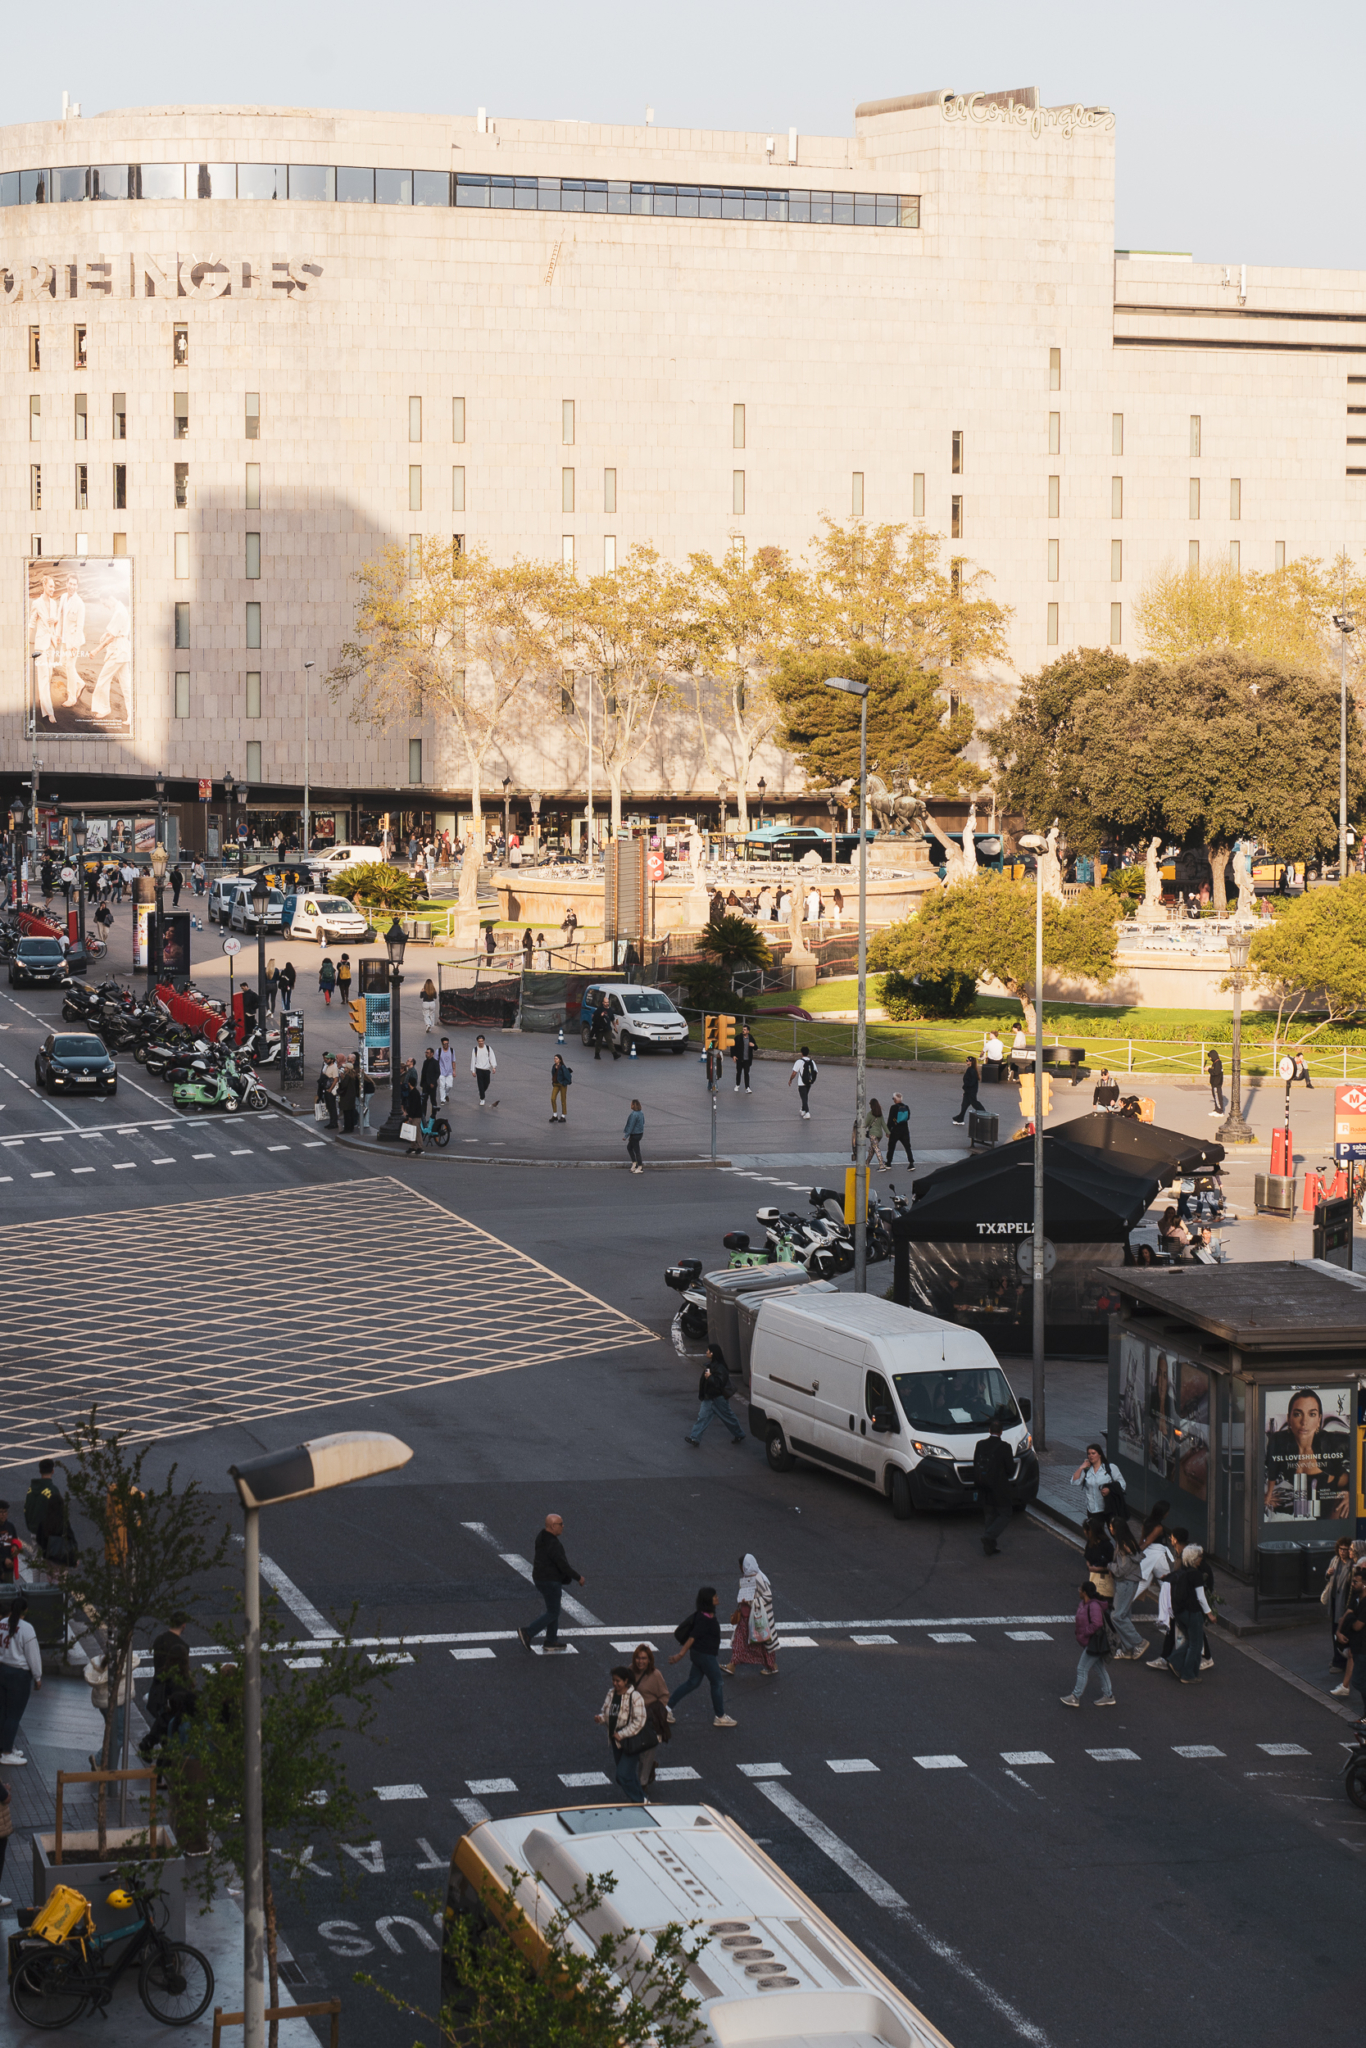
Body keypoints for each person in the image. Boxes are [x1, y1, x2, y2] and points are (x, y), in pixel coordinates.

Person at [1263, 1388, 1351, 1519]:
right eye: (1298, 1414)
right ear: (1289, 1418)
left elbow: (1357, 1472)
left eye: (1312, 1414)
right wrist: (1268, 1495)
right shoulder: (1278, 1441)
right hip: (1297, 1510)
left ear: (1319, 1420)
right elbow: (1271, 1469)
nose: (1304, 1422)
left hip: (1329, 1502)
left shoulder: (1332, 1443)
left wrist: (1351, 1494)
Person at [517, 1513, 585, 1655]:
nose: (563, 1526)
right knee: (554, 1612)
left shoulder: (541, 1537)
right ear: (553, 1526)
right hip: (550, 1581)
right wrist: (578, 1577)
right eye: (561, 1524)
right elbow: (563, 1566)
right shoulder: (554, 1544)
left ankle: (551, 1640)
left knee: (552, 1609)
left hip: (540, 1578)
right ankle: (528, 1632)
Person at [668, 1587, 736, 1727]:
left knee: (693, 1682)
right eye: (714, 1596)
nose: (717, 1597)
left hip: (700, 1654)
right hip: (705, 1656)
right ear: (708, 1600)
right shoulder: (704, 1619)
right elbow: (692, 1638)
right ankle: (720, 1716)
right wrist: (680, 1655)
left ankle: (666, 1709)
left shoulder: (705, 1615)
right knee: (717, 1683)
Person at [594, 1666, 651, 1804]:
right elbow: (607, 1713)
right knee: (627, 1775)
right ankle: (643, 1799)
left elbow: (640, 1721)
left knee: (622, 1775)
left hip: (631, 1741)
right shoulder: (611, 1694)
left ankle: (639, 1800)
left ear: (626, 1681)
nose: (615, 1683)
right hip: (615, 1741)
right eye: (613, 1680)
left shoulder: (635, 1697)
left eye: (618, 1681)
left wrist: (622, 1734)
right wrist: (601, 1718)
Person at [0, 1595, 43, 1764]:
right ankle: (7, 1752)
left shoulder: (1, 1623)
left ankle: (4, 1746)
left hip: (2, 1670)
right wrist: (38, 1677)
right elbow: (33, 1655)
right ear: (25, 1610)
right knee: (14, 1715)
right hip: (19, 1676)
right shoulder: (26, 1628)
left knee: (3, 1712)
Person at [1061, 1580, 1115, 1708]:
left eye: (1080, 1589)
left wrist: (1085, 1632)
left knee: (1082, 1668)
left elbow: (1097, 1623)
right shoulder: (1084, 1603)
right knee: (1100, 1669)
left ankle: (1075, 1696)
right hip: (1089, 1641)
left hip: (1094, 1643)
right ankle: (1109, 1696)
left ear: (1085, 1592)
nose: (1078, 1591)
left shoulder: (1093, 1606)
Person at [724, 1554, 779, 1676]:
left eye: (741, 1566)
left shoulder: (758, 1579)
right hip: (745, 1618)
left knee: (763, 1643)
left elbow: (768, 1597)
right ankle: (732, 1665)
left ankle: (772, 1666)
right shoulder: (746, 1578)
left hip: (756, 1619)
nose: (740, 1568)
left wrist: (751, 1602)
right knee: (739, 1640)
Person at [1167, 1544, 1213, 1683]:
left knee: (1190, 1640)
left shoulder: (1181, 1573)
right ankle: (1188, 1674)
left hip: (1180, 1612)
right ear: (1194, 1558)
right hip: (1193, 1613)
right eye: (1199, 1556)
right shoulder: (1196, 1575)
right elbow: (1200, 1597)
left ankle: (1174, 1660)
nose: (1201, 1559)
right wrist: (1209, 1613)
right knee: (1196, 1644)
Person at [628, 1645, 672, 1789]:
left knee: (647, 1751)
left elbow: (664, 1695)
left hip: (650, 1719)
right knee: (636, 1750)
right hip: (633, 1717)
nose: (640, 1661)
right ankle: (649, 1768)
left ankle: (642, 1783)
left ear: (649, 1660)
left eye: (644, 1658)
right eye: (638, 1658)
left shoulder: (655, 1675)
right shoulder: (630, 1671)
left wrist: (657, 1713)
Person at [686, 1345, 745, 1448]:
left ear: (712, 1353)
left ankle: (739, 1434)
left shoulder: (721, 1368)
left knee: (728, 1417)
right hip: (709, 1398)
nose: (706, 1352)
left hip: (718, 1398)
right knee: (702, 1417)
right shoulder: (711, 1365)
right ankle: (694, 1438)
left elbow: (719, 1383)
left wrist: (709, 1377)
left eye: (708, 1350)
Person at [1107, 1518, 1149, 1659]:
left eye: (1112, 1527)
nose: (1110, 1529)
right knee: (1124, 1615)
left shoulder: (1123, 1545)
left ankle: (1138, 1642)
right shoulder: (1128, 1542)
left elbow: (1122, 1569)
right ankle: (1127, 1649)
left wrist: (1110, 1566)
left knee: (1117, 1615)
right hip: (1129, 1582)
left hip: (1126, 1582)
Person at [973, 1418, 1013, 1555]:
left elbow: (975, 1463)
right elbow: (1010, 1470)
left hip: (984, 1486)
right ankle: (989, 1536)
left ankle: (990, 1547)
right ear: (1001, 1432)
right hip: (1000, 1488)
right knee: (1005, 1514)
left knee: (989, 1515)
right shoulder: (1005, 1447)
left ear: (989, 1430)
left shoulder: (980, 1445)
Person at [1324, 1537, 1357, 1692]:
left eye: (1346, 1549)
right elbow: (1328, 1578)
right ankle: (1337, 1658)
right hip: (1334, 1601)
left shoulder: (1351, 1565)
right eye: (1341, 1549)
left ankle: (1340, 1662)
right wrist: (1328, 1573)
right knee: (1334, 1631)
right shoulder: (1335, 1561)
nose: (1343, 1552)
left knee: (1340, 1632)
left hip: (1343, 1604)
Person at [1070, 1442, 1126, 1519]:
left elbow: (1122, 1484)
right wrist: (1081, 1467)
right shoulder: (1087, 1470)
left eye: (1093, 1453)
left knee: (1112, 1530)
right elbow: (1074, 1482)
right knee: (1095, 1531)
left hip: (1109, 1507)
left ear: (1100, 1455)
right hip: (1093, 1510)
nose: (1091, 1456)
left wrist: (1109, 1489)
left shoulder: (1110, 1468)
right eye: (1089, 1454)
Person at [951, 1056, 986, 1126]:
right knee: (964, 1105)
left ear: (971, 1062)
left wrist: (965, 1087)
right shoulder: (971, 1069)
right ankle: (960, 1119)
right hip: (969, 1091)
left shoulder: (971, 1070)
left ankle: (984, 1114)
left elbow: (971, 1082)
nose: (966, 1062)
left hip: (970, 1091)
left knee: (975, 1103)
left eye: (967, 1060)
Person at [401, 1064, 425, 1155]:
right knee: (413, 1131)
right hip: (415, 1114)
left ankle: (419, 1146)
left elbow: (414, 1105)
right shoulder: (414, 1092)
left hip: (415, 1115)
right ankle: (413, 1146)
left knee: (416, 1131)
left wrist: (410, 1115)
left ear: (409, 1083)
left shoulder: (414, 1093)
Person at [789, 1045, 818, 1119]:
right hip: (809, 1082)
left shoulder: (799, 1062)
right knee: (805, 1096)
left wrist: (790, 1080)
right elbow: (815, 1072)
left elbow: (794, 1073)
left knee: (804, 1097)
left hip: (802, 1083)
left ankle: (807, 1112)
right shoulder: (812, 1061)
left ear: (801, 1053)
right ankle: (803, 1110)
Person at [886, 1093, 914, 1168]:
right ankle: (911, 1163)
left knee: (891, 1146)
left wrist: (888, 1130)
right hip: (904, 1130)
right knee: (907, 1147)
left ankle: (888, 1163)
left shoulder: (893, 1107)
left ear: (895, 1100)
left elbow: (890, 1119)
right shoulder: (906, 1107)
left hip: (895, 1130)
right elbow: (908, 1118)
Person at [471, 1035, 498, 1107]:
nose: (481, 1042)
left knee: (487, 1083)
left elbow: (492, 1057)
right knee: (480, 1084)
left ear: (484, 1041)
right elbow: (473, 1060)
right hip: (479, 1069)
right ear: (477, 1041)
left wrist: (494, 1067)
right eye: (479, 1041)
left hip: (486, 1069)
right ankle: (482, 1098)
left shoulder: (488, 1048)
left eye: (482, 1041)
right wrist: (473, 1070)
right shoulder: (475, 1050)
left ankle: (481, 1092)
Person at [862, 1098, 888, 1169]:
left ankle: (881, 1164)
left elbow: (866, 1124)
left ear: (871, 1105)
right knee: (872, 1149)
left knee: (876, 1149)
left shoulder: (870, 1114)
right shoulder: (880, 1114)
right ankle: (867, 1162)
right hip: (879, 1134)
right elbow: (883, 1124)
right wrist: (888, 1132)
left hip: (873, 1134)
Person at [318, 1052, 340, 1129]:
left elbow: (336, 1079)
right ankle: (331, 1122)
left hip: (331, 1090)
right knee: (329, 1106)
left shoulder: (334, 1067)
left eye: (328, 1059)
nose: (326, 1060)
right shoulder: (327, 1066)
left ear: (332, 1059)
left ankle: (334, 1122)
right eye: (326, 1059)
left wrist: (330, 1089)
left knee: (332, 1106)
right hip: (326, 1088)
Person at [732, 1023, 756, 1094]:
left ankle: (747, 1087)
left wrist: (753, 1045)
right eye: (743, 1029)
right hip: (739, 1058)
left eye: (745, 1030)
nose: (743, 1031)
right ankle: (737, 1085)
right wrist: (733, 1055)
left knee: (746, 1073)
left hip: (747, 1059)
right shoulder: (738, 1038)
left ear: (748, 1031)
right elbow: (733, 1047)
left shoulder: (750, 1038)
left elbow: (756, 1047)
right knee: (738, 1072)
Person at [337, 1058, 359, 1132]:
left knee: (347, 1114)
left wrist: (341, 1079)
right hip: (351, 1096)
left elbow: (344, 1085)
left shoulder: (347, 1076)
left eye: (345, 1067)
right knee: (350, 1113)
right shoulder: (353, 1076)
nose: (344, 1068)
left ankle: (347, 1128)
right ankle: (350, 1127)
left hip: (346, 1097)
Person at [419, 1046, 440, 1123]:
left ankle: (433, 1115)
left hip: (432, 1085)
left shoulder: (435, 1062)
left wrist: (433, 1082)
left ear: (432, 1054)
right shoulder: (425, 1062)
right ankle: (423, 1115)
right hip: (425, 1084)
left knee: (433, 1100)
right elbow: (423, 1072)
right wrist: (422, 1083)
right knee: (424, 1100)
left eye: (427, 1053)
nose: (426, 1054)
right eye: (426, 1052)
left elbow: (437, 1073)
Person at [624, 1099, 645, 1174]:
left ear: (634, 1105)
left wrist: (626, 1136)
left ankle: (639, 1166)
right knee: (629, 1147)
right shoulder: (641, 1113)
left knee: (636, 1151)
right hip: (640, 1134)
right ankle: (634, 1164)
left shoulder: (634, 1114)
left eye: (631, 1104)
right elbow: (643, 1122)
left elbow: (631, 1126)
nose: (630, 1105)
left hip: (635, 1134)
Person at [550, 1051, 572, 1123]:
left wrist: (564, 1083)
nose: (555, 1060)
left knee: (563, 1100)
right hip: (556, 1084)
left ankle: (563, 1116)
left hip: (562, 1085)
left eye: (556, 1058)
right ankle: (555, 1115)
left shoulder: (562, 1067)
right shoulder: (554, 1066)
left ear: (560, 1060)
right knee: (553, 1098)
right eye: (554, 1058)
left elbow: (568, 1076)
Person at [1207, 1047, 1225, 1115]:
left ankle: (1220, 1111)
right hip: (1215, 1082)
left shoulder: (1218, 1063)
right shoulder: (1216, 1063)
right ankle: (1216, 1109)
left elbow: (1216, 1072)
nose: (1210, 1058)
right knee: (1215, 1096)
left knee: (1217, 1096)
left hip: (1216, 1083)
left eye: (1211, 1057)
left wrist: (1209, 1070)